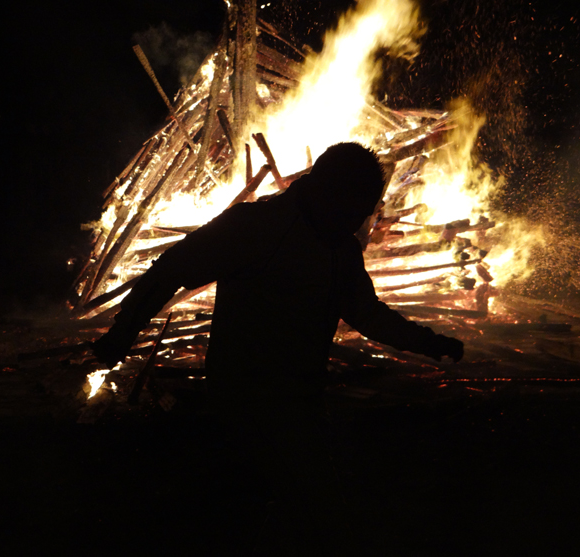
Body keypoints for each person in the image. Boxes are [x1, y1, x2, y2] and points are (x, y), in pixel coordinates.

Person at [91, 142, 463, 554]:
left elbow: (366, 312)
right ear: (323, 190)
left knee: (299, 511)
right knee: (301, 507)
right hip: (246, 398)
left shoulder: (341, 248)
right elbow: (171, 269)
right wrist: (120, 336)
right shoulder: (257, 227)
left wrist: (429, 344)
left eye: (364, 212)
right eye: (350, 210)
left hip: (300, 402)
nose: (357, 222)